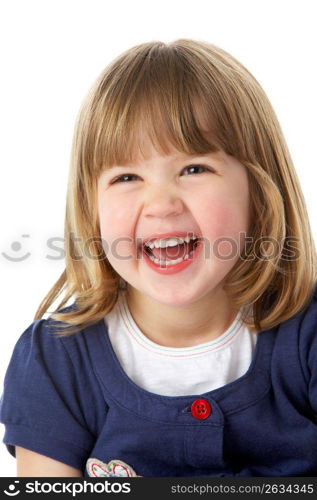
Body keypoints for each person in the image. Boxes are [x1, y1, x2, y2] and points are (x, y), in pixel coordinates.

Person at [1, 38, 317, 478]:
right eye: (127, 176)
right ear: (91, 208)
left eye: (194, 169)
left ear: (259, 192)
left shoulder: (306, 334)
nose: (161, 203)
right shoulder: (55, 361)